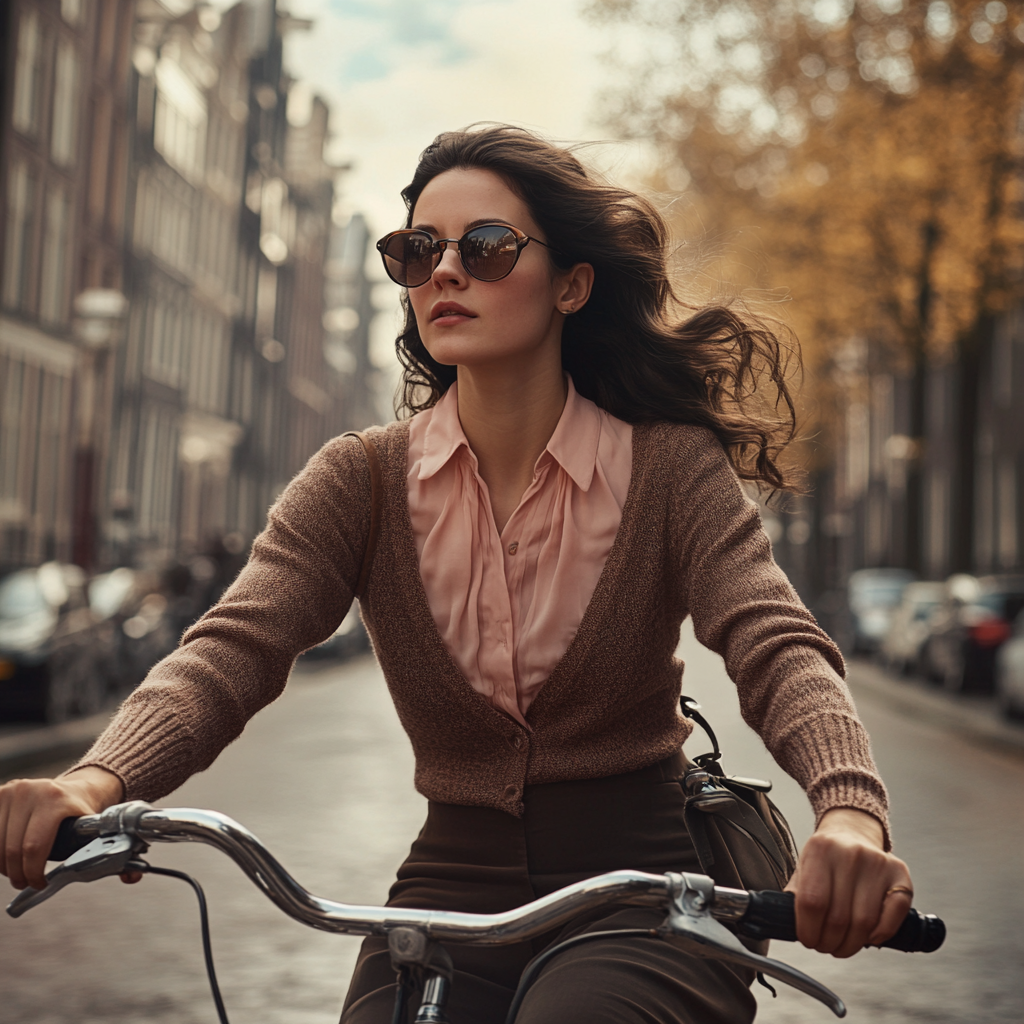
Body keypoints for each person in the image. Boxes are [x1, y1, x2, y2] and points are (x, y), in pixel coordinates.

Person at [0, 125, 913, 1024]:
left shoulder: (671, 467)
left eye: (485, 248)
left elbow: (774, 640)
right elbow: (232, 648)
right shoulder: (358, 479)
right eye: (417, 250)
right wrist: (95, 782)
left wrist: (849, 814)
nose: (443, 271)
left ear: (573, 284)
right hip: (443, 890)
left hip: (645, 892)